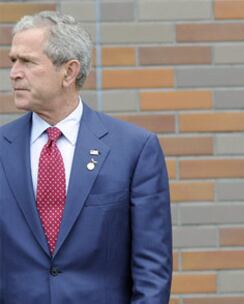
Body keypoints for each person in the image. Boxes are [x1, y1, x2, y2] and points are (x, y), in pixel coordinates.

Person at [0, 11, 172, 303]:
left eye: (27, 61)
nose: (14, 72)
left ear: (69, 71)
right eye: (13, 61)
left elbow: (152, 269)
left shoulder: (134, 149)